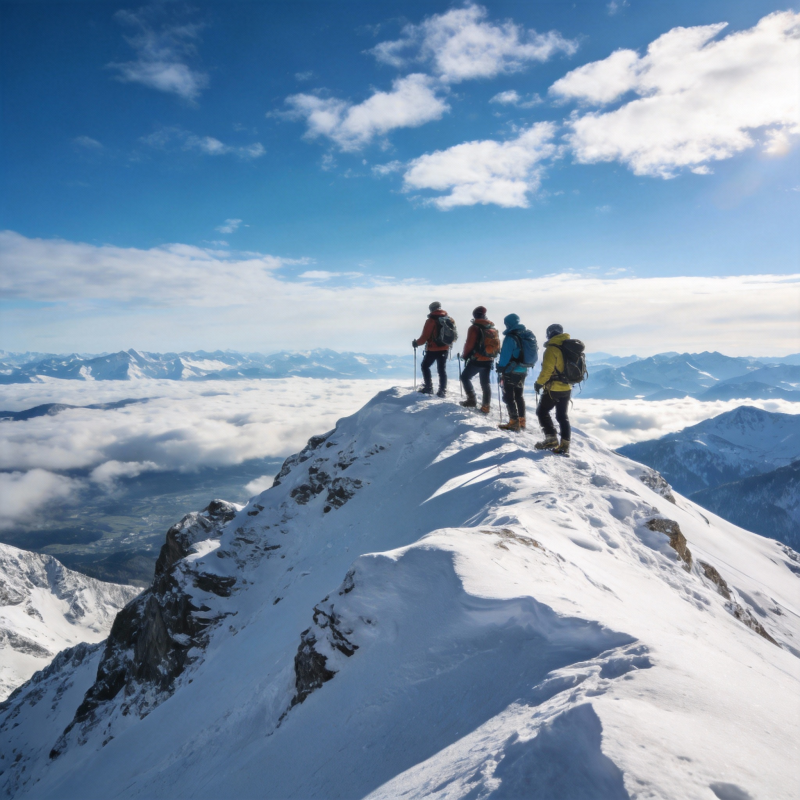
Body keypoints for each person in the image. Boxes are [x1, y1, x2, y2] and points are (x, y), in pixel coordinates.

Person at [534, 323, 572, 455]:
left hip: (553, 387)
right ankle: (565, 445)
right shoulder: (568, 347)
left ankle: (551, 439)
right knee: (562, 416)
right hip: (567, 387)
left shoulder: (552, 349)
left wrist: (539, 383)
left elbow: (547, 370)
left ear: (549, 334)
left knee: (542, 412)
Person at [496, 313, 533, 431]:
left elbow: (505, 356)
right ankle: (522, 421)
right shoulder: (525, 335)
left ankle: (513, 421)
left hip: (511, 371)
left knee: (508, 396)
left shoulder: (510, 337)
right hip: (523, 370)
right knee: (519, 396)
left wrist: (501, 368)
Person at [459, 306, 498, 413]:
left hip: (477, 359)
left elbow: (469, 344)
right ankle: (486, 406)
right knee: (485, 383)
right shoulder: (491, 328)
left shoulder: (474, 328)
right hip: (489, 359)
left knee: (465, 377)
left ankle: (471, 399)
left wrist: (465, 355)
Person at [413, 301, 451, 397]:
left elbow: (424, 337)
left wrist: (416, 343)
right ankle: (442, 390)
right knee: (442, 369)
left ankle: (428, 388)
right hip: (445, 348)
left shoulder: (431, 321)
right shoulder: (449, 319)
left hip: (433, 349)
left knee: (425, 366)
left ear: (431, 309)